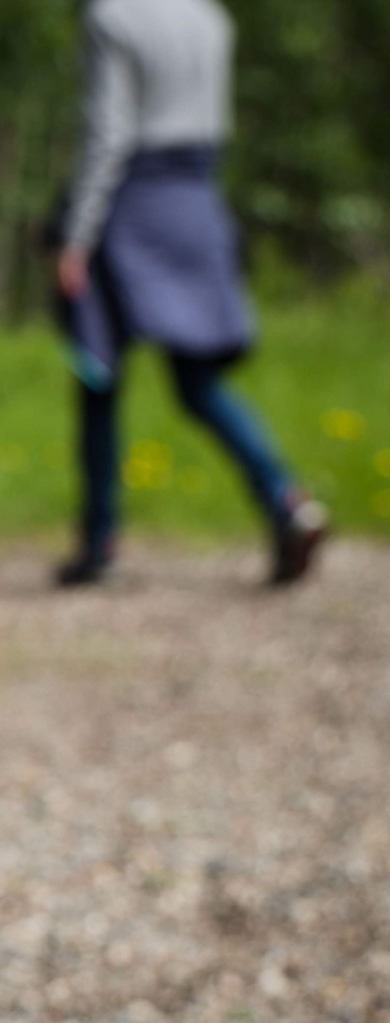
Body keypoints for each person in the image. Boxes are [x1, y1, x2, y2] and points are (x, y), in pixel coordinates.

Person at [54, 0, 327, 587]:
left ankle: (100, 543)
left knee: (98, 376)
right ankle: (286, 499)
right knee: (199, 384)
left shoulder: (111, 17)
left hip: (130, 205)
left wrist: (76, 237)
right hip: (197, 201)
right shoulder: (210, 17)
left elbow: (109, 133)